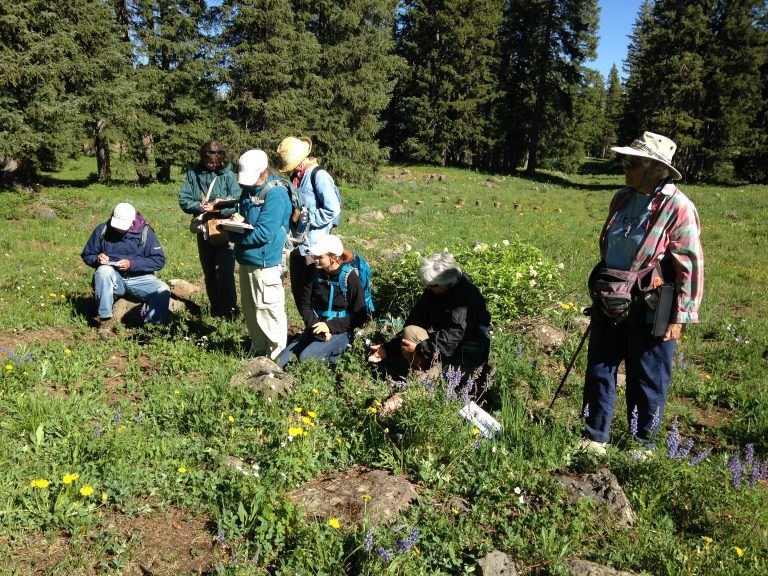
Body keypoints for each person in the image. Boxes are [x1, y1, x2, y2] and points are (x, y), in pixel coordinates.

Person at [580, 131, 704, 456]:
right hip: (611, 299)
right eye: (625, 161)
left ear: (655, 169)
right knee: (599, 369)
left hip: (654, 303)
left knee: (647, 376)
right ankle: (594, 438)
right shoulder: (621, 198)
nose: (625, 168)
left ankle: (642, 446)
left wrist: (680, 316)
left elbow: (691, 264)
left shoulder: (679, 207)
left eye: (632, 163)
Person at [368, 252, 491, 377]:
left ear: (448, 282)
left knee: (433, 382)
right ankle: (421, 373)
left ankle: (425, 381)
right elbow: (416, 320)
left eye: (432, 285)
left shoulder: (467, 297)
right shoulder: (434, 291)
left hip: (466, 350)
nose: (428, 287)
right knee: (411, 331)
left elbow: (453, 336)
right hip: (443, 346)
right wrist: (389, 348)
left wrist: (420, 350)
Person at [227, 149, 292, 359]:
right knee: (251, 309)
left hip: (266, 262)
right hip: (246, 258)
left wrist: (233, 236)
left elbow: (264, 233)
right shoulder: (248, 190)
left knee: (268, 309)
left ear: (264, 172)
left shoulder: (276, 194)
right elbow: (248, 220)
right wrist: (236, 221)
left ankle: (276, 357)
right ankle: (258, 350)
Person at [81, 202, 170, 339]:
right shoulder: (102, 229)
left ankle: (153, 329)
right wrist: (97, 259)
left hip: (140, 279)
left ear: (133, 220)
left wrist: (132, 264)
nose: (119, 230)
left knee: (163, 289)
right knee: (103, 271)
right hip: (114, 278)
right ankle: (105, 321)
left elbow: (158, 260)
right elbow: (87, 254)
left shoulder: (146, 232)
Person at [276, 235, 367, 368]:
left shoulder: (350, 277)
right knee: (279, 362)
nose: (315, 259)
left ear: (334, 257)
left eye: (320, 256)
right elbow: (305, 305)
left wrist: (330, 327)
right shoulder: (312, 271)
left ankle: (340, 359)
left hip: (341, 330)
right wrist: (318, 328)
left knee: (306, 358)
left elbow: (360, 316)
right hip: (316, 326)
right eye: (314, 255)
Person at [276, 136, 341, 320]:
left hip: (315, 245)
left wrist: (306, 218)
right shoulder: (297, 177)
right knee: (300, 291)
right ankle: (310, 328)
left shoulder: (318, 176)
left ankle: (317, 329)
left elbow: (332, 209)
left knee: (312, 291)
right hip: (298, 244)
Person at [179, 140, 241, 319]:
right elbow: (184, 200)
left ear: (221, 158)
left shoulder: (228, 176)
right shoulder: (193, 174)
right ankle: (215, 309)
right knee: (209, 271)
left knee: (225, 271)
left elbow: (238, 201)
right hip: (205, 228)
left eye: (215, 162)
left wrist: (219, 208)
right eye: (209, 163)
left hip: (225, 228)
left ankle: (230, 311)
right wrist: (200, 206)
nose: (212, 165)